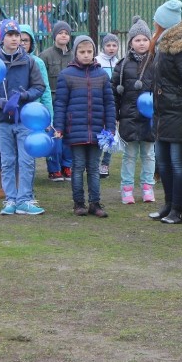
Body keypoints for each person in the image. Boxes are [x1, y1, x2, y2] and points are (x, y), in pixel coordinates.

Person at [0, 20, 46, 216]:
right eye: (10, 35)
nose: (15, 39)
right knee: (7, 160)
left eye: (17, 35)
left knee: (26, 160)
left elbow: (39, 86)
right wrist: (0, 102)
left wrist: (23, 96)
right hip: (2, 120)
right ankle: (10, 199)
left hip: (24, 120)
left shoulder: (29, 61)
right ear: (2, 38)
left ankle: (25, 199)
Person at [53, 35, 116, 218]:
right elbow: (61, 104)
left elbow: (109, 103)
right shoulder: (67, 75)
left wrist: (110, 127)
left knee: (94, 168)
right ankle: (78, 203)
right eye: (82, 52)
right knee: (78, 167)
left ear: (94, 52)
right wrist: (59, 126)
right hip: (76, 130)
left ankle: (95, 203)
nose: (86, 55)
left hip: (97, 131)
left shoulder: (102, 75)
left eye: (89, 52)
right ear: (75, 53)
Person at [149, 0, 182, 224]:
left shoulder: (181, 50)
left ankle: (177, 210)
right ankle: (168, 205)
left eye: (157, 23)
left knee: (177, 163)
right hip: (162, 113)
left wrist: (174, 98)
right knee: (162, 162)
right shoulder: (163, 45)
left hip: (177, 113)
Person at [112, 17, 156, 205]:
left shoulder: (156, 62)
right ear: (131, 42)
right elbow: (114, 92)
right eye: (137, 40)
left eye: (145, 40)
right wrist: (115, 116)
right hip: (129, 117)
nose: (141, 43)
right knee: (129, 156)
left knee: (148, 154)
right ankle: (127, 189)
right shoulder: (122, 65)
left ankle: (148, 187)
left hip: (150, 118)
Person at [40, 20, 74, 181]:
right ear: (54, 35)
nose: (63, 35)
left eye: (66, 33)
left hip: (70, 101)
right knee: (53, 135)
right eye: (60, 32)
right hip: (52, 101)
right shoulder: (45, 55)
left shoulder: (74, 56)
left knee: (68, 135)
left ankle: (67, 165)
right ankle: (54, 168)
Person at [96, 33, 120, 177]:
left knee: (111, 134)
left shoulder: (119, 63)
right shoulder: (97, 61)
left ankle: (105, 164)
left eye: (114, 45)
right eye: (108, 45)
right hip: (99, 101)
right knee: (99, 132)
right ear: (103, 47)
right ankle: (95, 162)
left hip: (113, 103)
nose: (111, 48)